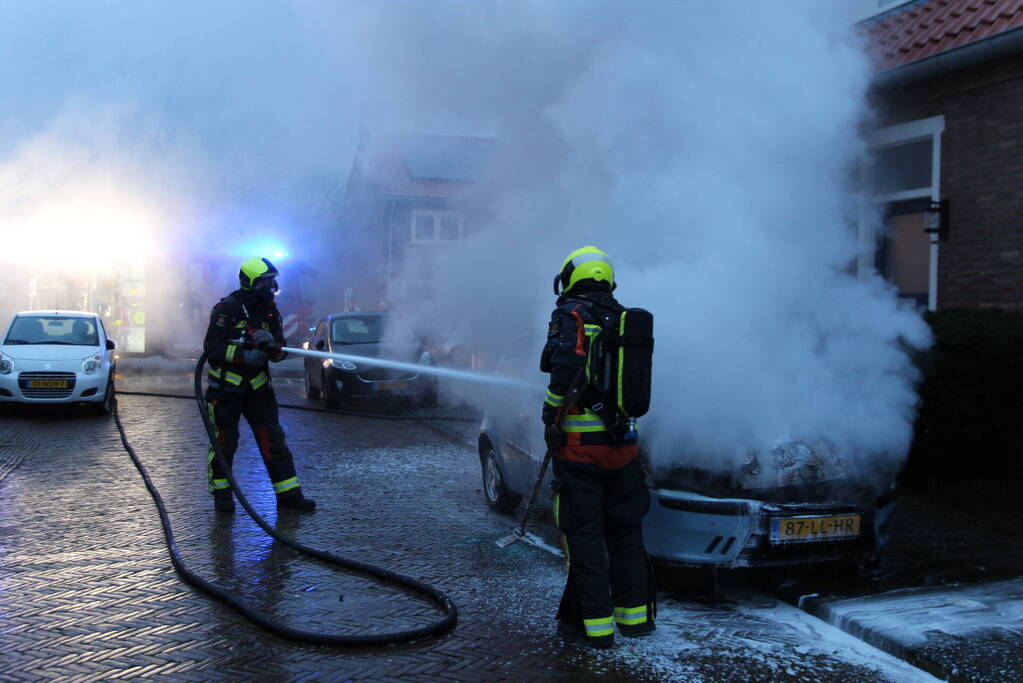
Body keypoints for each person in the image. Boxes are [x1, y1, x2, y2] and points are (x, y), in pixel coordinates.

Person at [541, 245, 656, 649]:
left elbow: (565, 370)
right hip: (624, 450)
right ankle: (635, 621)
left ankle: (598, 630)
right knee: (626, 536)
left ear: (570, 278)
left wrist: (550, 415)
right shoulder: (625, 319)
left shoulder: (572, 314)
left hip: (581, 452)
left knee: (585, 539)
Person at [203, 256, 316, 513]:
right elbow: (212, 347)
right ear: (250, 282)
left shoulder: (269, 311)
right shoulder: (227, 308)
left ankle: (289, 496)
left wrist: (272, 346)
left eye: (272, 281)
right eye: (265, 281)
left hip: (259, 390)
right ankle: (222, 496)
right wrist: (243, 355)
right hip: (226, 390)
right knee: (224, 443)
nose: (271, 286)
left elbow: (280, 352)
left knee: (274, 442)